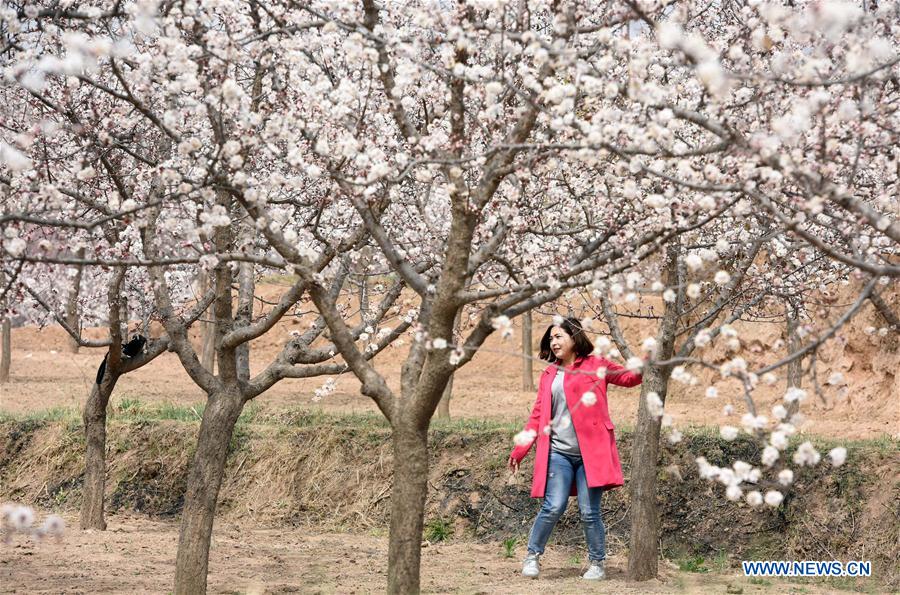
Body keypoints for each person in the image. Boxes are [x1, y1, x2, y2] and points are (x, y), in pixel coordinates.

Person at [507, 317, 643, 580]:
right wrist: (519, 450)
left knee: (589, 511)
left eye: (558, 336)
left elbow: (628, 378)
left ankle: (597, 563)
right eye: (551, 338)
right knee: (553, 506)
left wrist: (648, 363)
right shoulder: (549, 374)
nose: (553, 342)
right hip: (558, 453)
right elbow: (537, 416)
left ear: (574, 337)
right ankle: (532, 557)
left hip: (590, 455)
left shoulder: (596, 366)